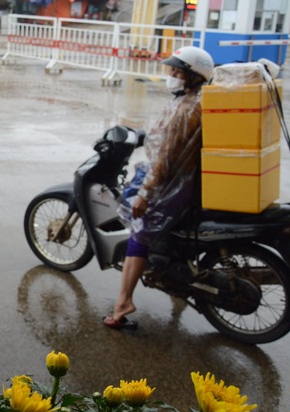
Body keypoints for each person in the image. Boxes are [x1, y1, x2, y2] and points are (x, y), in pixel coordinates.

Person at [103, 46, 214, 330]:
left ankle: (123, 302)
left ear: (192, 76)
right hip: (183, 182)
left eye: (178, 71)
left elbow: (165, 160)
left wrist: (145, 195)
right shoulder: (192, 101)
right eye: (172, 70)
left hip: (173, 187)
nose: (172, 75)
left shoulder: (187, 109)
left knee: (138, 233)